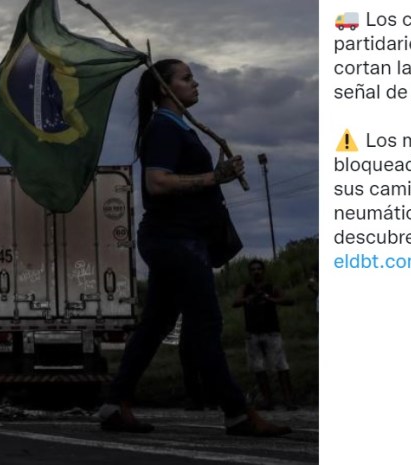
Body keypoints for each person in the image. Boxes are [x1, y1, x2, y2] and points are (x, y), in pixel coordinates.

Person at [97, 59, 290, 437]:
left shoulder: (177, 127)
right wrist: (213, 176)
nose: (195, 83)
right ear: (165, 90)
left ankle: (112, 404)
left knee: (156, 324)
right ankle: (236, 411)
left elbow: (182, 179)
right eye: (186, 78)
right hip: (175, 241)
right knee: (206, 325)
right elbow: (157, 183)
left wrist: (219, 174)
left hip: (175, 240)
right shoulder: (164, 129)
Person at [233, 259, 296, 411]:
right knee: (258, 368)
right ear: (250, 272)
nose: (256, 272)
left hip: (271, 331)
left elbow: (288, 300)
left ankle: (288, 400)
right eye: (253, 269)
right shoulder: (246, 289)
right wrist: (249, 299)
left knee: (281, 366)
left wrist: (270, 299)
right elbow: (236, 302)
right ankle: (268, 400)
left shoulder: (271, 287)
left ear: (263, 271)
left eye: (259, 269)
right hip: (253, 333)